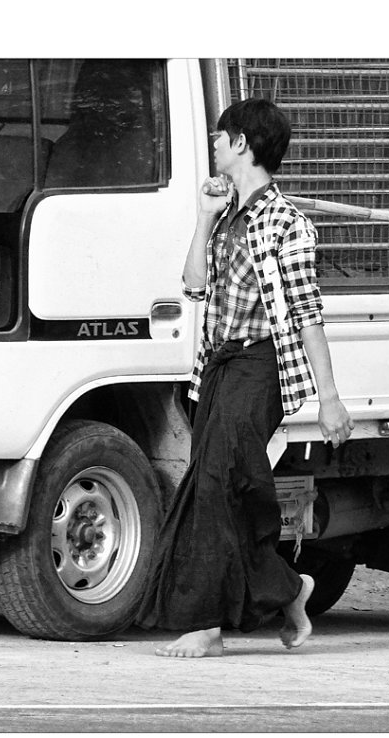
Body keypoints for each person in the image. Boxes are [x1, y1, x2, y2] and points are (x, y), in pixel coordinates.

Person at [136, 98, 354, 658]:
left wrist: (330, 399)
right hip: (218, 367)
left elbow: (307, 314)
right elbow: (193, 285)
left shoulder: (288, 223)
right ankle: (289, 590)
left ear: (242, 144)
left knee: (217, 485)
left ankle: (208, 625)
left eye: (220, 136)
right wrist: (205, 216)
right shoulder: (227, 215)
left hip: (261, 368)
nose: (213, 143)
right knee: (217, 490)